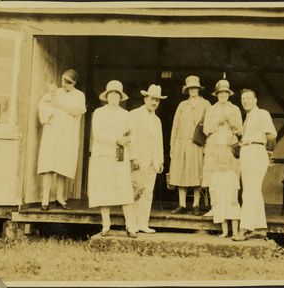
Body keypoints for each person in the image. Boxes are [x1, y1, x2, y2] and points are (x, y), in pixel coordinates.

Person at [88, 80, 138, 238]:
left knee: (125, 190)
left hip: (120, 157)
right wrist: (116, 139)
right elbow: (98, 135)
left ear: (120, 97)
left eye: (117, 94)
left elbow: (131, 134)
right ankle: (106, 225)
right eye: (111, 93)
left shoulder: (126, 115)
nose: (114, 96)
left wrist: (129, 143)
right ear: (107, 96)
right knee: (104, 191)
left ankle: (131, 226)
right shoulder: (99, 113)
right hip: (103, 156)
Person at [37, 69, 86, 211]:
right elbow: (43, 106)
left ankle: (60, 198)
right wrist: (48, 115)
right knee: (48, 164)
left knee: (62, 165)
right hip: (52, 132)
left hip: (68, 133)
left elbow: (76, 111)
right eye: (63, 80)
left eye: (68, 82)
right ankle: (45, 199)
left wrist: (59, 105)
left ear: (74, 83)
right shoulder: (54, 92)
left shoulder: (79, 95)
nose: (64, 84)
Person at [232, 88, 277, 241]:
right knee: (254, 191)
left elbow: (271, 136)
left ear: (255, 100)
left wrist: (268, 154)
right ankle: (260, 228)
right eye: (243, 99)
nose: (245, 101)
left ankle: (244, 229)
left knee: (249, 192)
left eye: (248, 98)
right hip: (247, 151)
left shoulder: (262, 113)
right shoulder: (249, 117)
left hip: (256, 152)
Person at [202, 79, 243, 237]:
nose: (223, 95)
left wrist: (232, 123)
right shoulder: (211, 109)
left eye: (226, 92)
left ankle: (232, 206)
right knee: (214, 178)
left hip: (229, 146)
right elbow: (206, 129)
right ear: (217, 94)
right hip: (214, 147)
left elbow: (240, 129)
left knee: (230, 178)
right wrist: (216, 122)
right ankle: (215, 207)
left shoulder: (235, 109)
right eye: (221, 92)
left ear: (229, 94)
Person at [169, 75, 211, 215]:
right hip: (181, 142)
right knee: (181, 173)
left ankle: (196, 204)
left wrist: (207, 145)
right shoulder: (182, 105)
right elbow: (175, 126)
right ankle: (182, 204)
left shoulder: (206, 105)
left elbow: (210, 126)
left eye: (195, 88)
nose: (193, 90)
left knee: (196, 173)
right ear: (187, 90)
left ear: (199, 89)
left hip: (197, 143)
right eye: (190, 88)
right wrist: (172, 146)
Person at [129, 84, 167, 233]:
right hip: (139, 160)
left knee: (147, 192)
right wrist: (133, 158)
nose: (154, 103)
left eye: (157, 100)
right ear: (145, 98)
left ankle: (142, 223)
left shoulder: (157, 120)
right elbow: (130, 137)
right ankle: (131, 224)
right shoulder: (134, 114)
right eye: (152, 99)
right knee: (136, 191)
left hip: (152, 162)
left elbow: (159, 141)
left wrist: (160, 160)